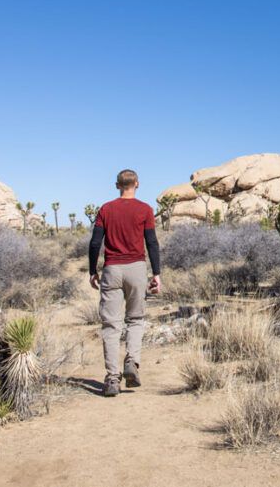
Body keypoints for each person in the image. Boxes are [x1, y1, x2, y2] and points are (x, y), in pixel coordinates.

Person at [88, 169, 162, 397]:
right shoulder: (145, 209)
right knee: (136, 319)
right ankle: (132, 361)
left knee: (111, 325)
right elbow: (152, 243)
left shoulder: (106, 209)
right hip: (136, 269)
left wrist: (93, 270)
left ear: (116, 185)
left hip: (112, 269)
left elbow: (94, 243)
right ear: (137, 184)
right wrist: (156, 273)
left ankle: (112, 379)